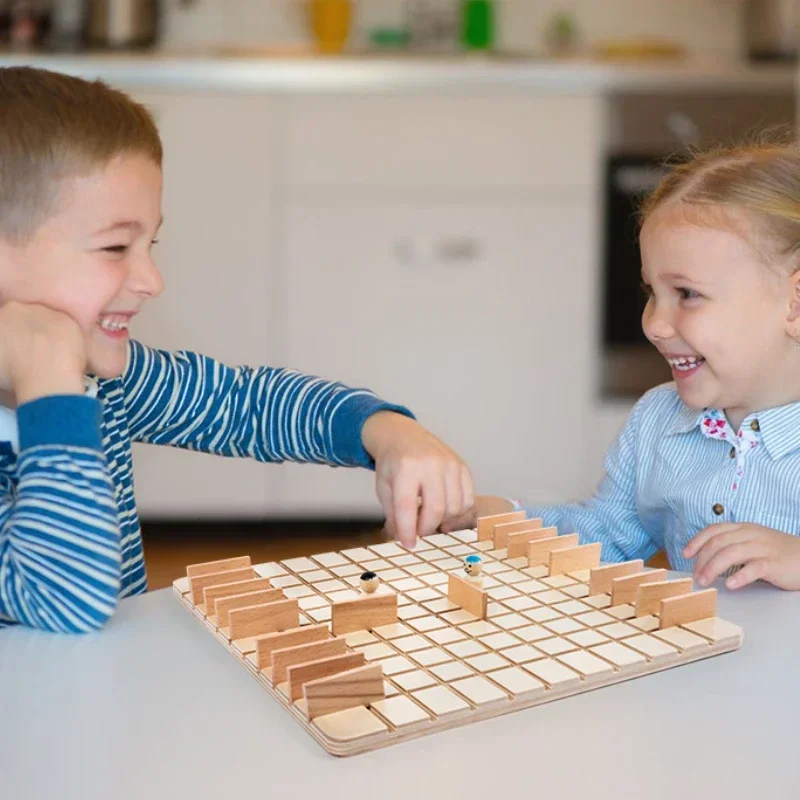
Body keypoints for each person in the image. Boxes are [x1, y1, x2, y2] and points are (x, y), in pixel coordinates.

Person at [0, 66, 474, 633]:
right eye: (114, 247)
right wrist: (50, 385)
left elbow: (248, 403)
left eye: (150, 244)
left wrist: (387, 432)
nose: (152, 280)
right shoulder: (71, 382)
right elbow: (65, 598)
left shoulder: (105, 379)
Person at [454, 137, 800, 592]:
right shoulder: (657, 421)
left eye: (687, 294)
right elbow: (604, 535)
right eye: (651, 293)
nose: (654, 324)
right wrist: (498, 519)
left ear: (794, 303)